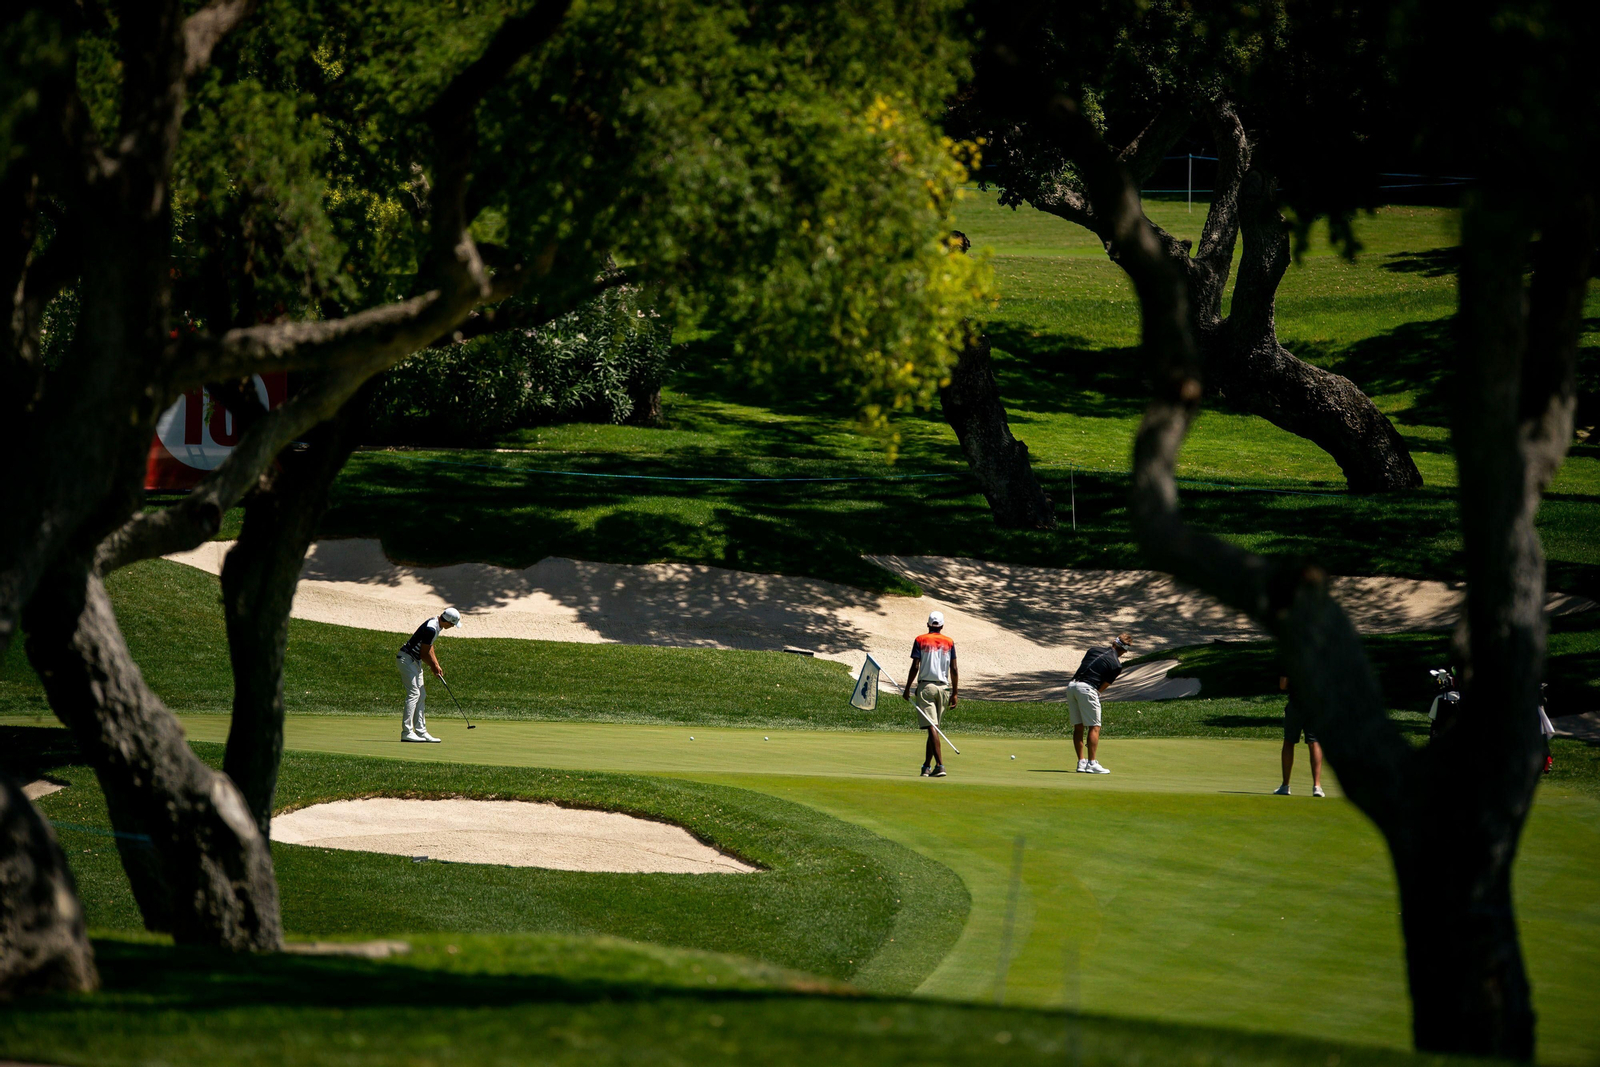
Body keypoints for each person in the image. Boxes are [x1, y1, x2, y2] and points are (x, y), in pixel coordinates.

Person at [902, 610, 957, 778]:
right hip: (944, 688)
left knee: (932, 727)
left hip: (926, 687)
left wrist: (907, 688)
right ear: (942, 626)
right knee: (934, 728)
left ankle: (940, 765)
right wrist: (955, 693)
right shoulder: (949, 642)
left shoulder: (920, 640)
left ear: (928, 624)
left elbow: (915, 666)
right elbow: (953, 669)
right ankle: (926, 766)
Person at [1065, 633, 1129, 774]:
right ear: (1124, 650)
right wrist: (1094, 694)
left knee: (1079, 726)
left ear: (1114, 643)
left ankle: (1081, 762)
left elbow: (1085, 666)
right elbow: (1103, 686)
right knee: (1095, 727)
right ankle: (1092, 763)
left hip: (1071, 686)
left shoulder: (1093, 650)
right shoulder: (1116, 665)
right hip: (1087, 688)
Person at [397, 607, 462, 743]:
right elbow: (424, 653)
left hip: (414, 661)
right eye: (452, 624)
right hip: (407, 659)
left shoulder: (435, 624)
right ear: (448, 622)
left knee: (422, 694)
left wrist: (436, 664)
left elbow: (429, 647)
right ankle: (407, 732)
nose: (451, 627)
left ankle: (421, 732)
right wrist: (433, 667)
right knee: (414, 694)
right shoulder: (431, 628)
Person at [1275, 675, 1324, 797]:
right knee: (1314, 742)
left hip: (1296, 704)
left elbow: (1282, 685)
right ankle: (1317, 786)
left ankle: (1285, 785)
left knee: (1289, 742)